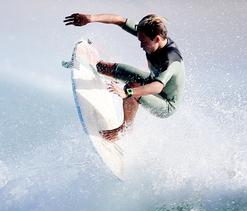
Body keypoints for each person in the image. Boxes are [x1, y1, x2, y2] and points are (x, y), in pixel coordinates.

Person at [64, 13, 185, 141]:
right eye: (140, 40)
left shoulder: (170, 59)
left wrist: (127, 92)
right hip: (151, 80)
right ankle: (98, 68)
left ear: (157, 39)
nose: (141, 45)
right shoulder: (148, 33)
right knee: (103, 68)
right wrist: (90, 18)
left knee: (131, 88)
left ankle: (124, 129)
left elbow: (157, 87)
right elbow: (120, 21)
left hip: (166, 104)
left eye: (143, 42)